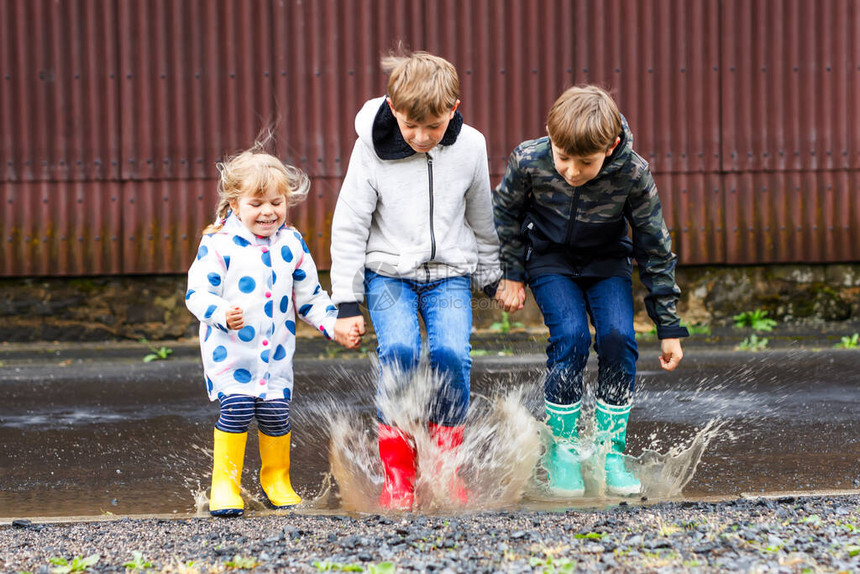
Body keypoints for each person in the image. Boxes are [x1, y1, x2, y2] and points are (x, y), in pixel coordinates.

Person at [493, 85, 688, 497]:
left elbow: (654, 245)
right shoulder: (529, 160)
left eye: (586, 162)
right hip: (549, 261)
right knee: (572, 337)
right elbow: (505, 213)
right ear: (550, 134)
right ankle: (563, 451)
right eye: (563, 157)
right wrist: (511, 273)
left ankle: (609, 451)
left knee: (618, 338)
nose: (572, 171)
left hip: (606, 264)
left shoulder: (633, 173)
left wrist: (668, 327)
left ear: (611, 145)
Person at [330, 51, 501, 510]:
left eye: (434, 128)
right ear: (392, 107)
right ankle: (399, 475)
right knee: (401, 351)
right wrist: (345, 300)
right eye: (411, 127)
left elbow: (482, 215)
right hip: (388, 274)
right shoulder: (370, 148)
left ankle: (445, 468)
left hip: (448, 274)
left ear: (453, 108)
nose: (422, 138)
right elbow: (349, 225)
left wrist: (491, 277)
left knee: (450, 353)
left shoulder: (472, 147)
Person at [186, 145, 359, 517]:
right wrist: (218, 311)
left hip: (274, 357)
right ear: (235, 204)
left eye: (277, 202)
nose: (268, 212)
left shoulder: (292, 244)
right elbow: (197, 293)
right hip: (230, 353)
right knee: (236, 409)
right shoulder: (218, 244)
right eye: (257, 203)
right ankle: (225, 484)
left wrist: (334, 324)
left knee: (275, 415)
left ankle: (276, 479)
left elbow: (310, 296)